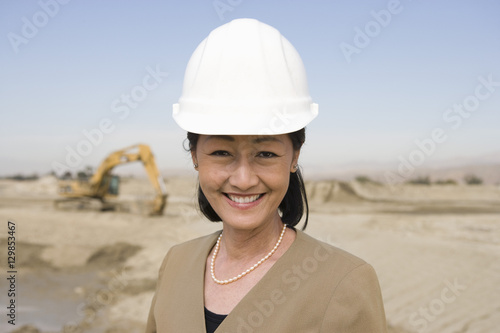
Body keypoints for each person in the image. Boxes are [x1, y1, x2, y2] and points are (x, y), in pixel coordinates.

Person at [145, 18, 387, 333]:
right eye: (221, 152)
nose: (243, 179)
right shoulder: (176, 263)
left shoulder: (344, 283)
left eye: (266, 154)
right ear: (194, 156)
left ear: (294, 157)